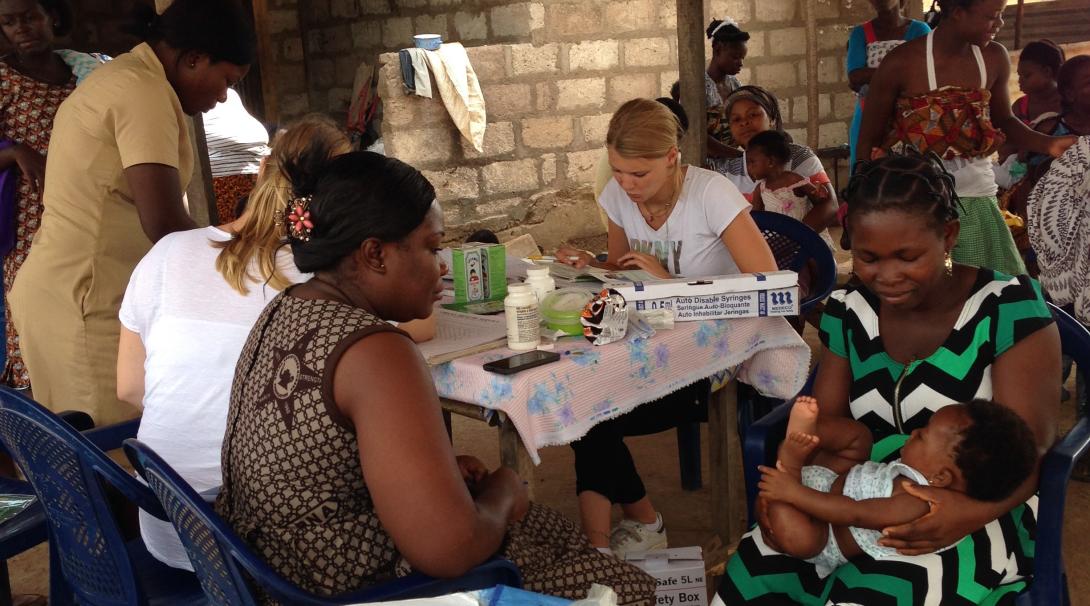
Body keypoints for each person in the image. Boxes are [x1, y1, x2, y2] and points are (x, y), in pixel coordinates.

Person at [213, 150, 656, 604]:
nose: (442, 265)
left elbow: (321, 463)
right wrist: (505, 491)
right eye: (431, 247)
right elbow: (450, 550)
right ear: (374, 254)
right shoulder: (377, 352)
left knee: (552, 531)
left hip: (273, 567)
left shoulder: (287, 308)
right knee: (633, 592)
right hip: (351, 588)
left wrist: (432, 472)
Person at [717, 152, 1061, 605]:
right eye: (869, 257)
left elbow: (1031, 448)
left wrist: (964, 513)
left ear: (949, 237)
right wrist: (798, 482)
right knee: (755, 569)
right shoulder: (848, 311)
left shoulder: (1006, 307)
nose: (888, 276)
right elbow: (830, 423)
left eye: (908, 256)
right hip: (855, 488)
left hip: (979, 506)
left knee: (879, 592)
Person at [7, 0, 254, 425]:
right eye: (226, 80)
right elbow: (164, 225)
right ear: (193, 58)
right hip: (84, 300)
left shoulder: (127, 78)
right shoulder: (141, 91)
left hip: (68, 290)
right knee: (107, 456)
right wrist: (251, 245)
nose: (222, 96)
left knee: (84, 456)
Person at [115, 116, 343, 570]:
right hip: (255, 546)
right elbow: (417, 322)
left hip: (166, 524)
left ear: (260, 172)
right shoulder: (323, 277)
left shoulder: (166, 253)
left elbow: (129, 389)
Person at [554, 98, 777, 554]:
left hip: (711, 356)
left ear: (672, 157)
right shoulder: (617, 195)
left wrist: (672, 283)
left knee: (593, 413)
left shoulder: (711, 194)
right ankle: (615, 539)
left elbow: (766, 285)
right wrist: (592, 265)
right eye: (617, 171)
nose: (627, 185)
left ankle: (637, 525)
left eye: (640, 174)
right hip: (645, 341)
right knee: (580, 402)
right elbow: (621, 270)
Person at [855, 0, 1076, 275]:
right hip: (917, 200)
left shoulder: (993, 57)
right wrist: (859, 205)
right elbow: (868, 140)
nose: (1000, 24)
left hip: (976, 194)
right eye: (993, 16)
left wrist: (1048, 144)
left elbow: (1004, 119)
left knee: (994, 285)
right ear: (958, 13)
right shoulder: (902, 62)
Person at [756, 397, 1036, 577]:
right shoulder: (919, 474)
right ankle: (805, 434)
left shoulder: (917, 504)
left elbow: (853, 513)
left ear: (940, 477)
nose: (914, 432)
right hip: (833, 483)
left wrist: (795, 493)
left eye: (923, 435)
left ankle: (789, 464)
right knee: (859, 436)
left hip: (823, 533)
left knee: (801, 541)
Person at [0, 0, 107, 391]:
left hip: (87, 205)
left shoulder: (87, 71)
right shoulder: (3, 78)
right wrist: (14, 152)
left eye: (29, 17)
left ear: (53, 17)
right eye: (9, 23)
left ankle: (86, 394)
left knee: (87, 300)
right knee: (37, 305)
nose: (21, 29)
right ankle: (38, 401)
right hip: (32, 216)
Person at [714, 85, 838, 207]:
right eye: (736, 119)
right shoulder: (727, 173)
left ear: (772, 118)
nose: (744, 122)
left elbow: (829, 206)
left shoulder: (799, 158)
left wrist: (789, 228)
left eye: (753, 115)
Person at [846, 0, 931, 170]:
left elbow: (924, 73)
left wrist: (872, 74)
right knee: (865, 170)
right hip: (867, 114)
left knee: (908, 171)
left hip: (910, 118)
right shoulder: (860, 33)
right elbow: (855, 77)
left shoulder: (920, 31)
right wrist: (899, 72)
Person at [747, 130, 836, 250]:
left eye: (752, 162)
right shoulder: (760, 189)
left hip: (805, 236)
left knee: (807, 260)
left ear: (770, 162)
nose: (749, 167)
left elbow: (818, 198)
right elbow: (756, 218)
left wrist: (819, 192)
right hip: (778, 241)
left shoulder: (794, 180)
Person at [203, 87, 271, 223]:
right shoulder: (197, 104)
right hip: (223, 186)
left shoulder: (231, 95)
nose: (222, 97)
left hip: (253, 183)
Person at [703, 18, 749, 168]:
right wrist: (740, 155)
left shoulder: (734, 85)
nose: (740, 63)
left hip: (730, 163)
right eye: (735, 57)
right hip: (705, 165)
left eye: (742, 58)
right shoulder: (698, 88)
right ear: (717, 51)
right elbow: (697, 137)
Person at [1011, 40, 1065, 126]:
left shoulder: (1069, 102)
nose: (1020, 81)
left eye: (1026, 75)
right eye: (1019, 75)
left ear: (1047, 72)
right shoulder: (1019, 108)